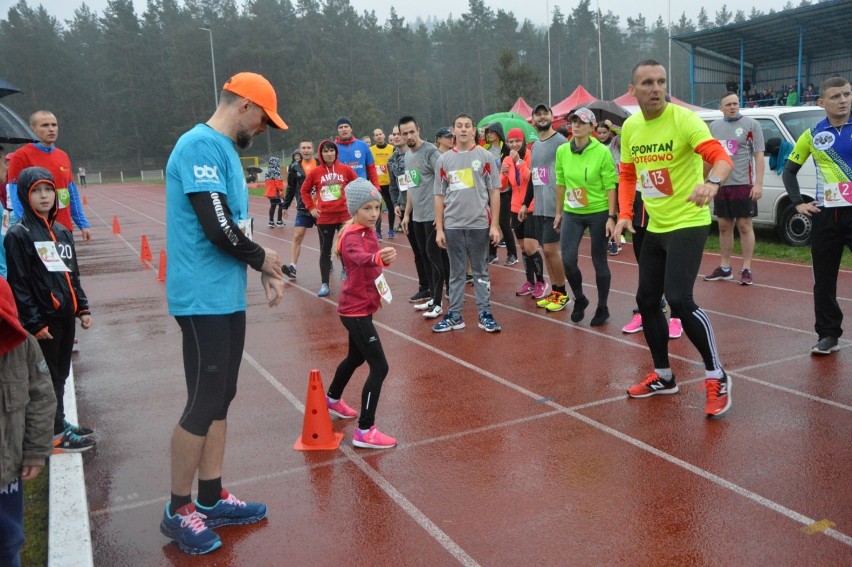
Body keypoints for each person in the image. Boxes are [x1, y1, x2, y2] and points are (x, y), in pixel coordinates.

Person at [160, 72, 286, 555]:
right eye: (262, 119)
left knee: (222, 395)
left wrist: (261, 270)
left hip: (225, 293)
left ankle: (210, 498)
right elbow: (215, 227)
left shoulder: (227, 152)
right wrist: (265, 260)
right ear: (245, 106)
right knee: (204, 398)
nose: (263, 130)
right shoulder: (198, 147)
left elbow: (237, 223)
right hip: (199, 296)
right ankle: (178, 508)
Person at [612, 60, 734, 417]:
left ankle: (717, 374)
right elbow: (628, 175)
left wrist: (712, 183)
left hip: (688, 220)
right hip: (654, 225)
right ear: (632, 90)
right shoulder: (631, 127)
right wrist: (622, 214)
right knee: (647, 301)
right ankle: (664, 376)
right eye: (647, 82)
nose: (656, 88)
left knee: (679, 299)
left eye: (661, 81)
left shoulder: (684, 120)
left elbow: (720, 157)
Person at [3, 166, 94, 453]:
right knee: (46, 377)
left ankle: (57, 421)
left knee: (61, 374)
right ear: (25, 196)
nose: (44, 196)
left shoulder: (62, 232)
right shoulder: (19, 234)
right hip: (43, 321)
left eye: (48, 190)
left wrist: (82, 308)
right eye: (36, 191)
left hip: (65, 316)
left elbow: (72, 274)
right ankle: (51, 435)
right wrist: (33, 321)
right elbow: (19, 283)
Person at [325, 178, 398, 448]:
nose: (374, 214)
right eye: (367, 208)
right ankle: (365, 431)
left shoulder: (369, 232)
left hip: (361, 308)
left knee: (355, 357)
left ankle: (332, 399)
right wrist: (378, 258)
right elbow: (358, 257)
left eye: (377, 208)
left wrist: (380, 282)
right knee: (380, 367)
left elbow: (372, 265)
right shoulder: (352, 236)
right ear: (354, 210)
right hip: (354, 312)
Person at [782, 76, 852, 356]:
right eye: (836, 96)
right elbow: (789, 171)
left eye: (847, 94)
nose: (843, 100)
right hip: (827, 216)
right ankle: (828, 334)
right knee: (824, 280)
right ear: (822, 102)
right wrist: (798, 203)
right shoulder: (811, 135)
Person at [0, 276, 56, 567]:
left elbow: (42, 398)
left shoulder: (24, 347)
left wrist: (35, 450)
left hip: (6, 475)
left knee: (8, 541)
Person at [432, 112, 502, 333]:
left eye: (467, 126)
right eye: (459, 126)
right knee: (456, 272)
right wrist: (440, 228)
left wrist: (494, 225)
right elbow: (439, 195)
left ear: (474, 131)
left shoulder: (485, 156)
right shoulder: (443, 160)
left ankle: (485, 314)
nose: (463, 130)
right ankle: (455, 315)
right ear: (453, 130)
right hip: (452, 225)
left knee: (480, 271)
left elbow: (494, 192)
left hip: (479, 224)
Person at [554, 108, 617, 325]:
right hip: (572, 211)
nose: (576, 125)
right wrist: (558, 212)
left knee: (599, 260)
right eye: (573, 121)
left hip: (598, 211)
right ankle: (580, 298)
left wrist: (611, 216)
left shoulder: (602, 152)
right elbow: (560, 182)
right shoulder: (562, 151)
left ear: (592, 127)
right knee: (568, 258)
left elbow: (610, 185)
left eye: (582, 122)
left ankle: (603, 307)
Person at [705, 92, 765, 285]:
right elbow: (707, 157)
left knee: (744, 226)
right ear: (721, 108)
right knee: (724, 226)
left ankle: (746, 268)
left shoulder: (751, 125)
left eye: (736, 104)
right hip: (720, 184)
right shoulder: (713, 127)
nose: (733, 107)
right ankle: (724, 268)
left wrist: (758, 184)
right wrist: (704, 180)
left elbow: (759, 155)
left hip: (743, 183)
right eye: (728, 104)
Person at [7, 111, 91, 241]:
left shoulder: (63, 156)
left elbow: (71, 193)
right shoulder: (21, 156)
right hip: (37, 231)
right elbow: (16, 196)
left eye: (54, 125)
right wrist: (26, 226)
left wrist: (83, 224)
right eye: (45, 125)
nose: (51, 129)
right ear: (33, 129)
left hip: (64, 229)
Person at [519, 103, 569, 307]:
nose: (541, 117)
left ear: (551, 116)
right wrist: (525, 204)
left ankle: (562, 293)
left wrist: (564, 206)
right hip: (539, 207)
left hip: (555, 207)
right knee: (547, 252)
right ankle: (555, 291)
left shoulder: (561, 142)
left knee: (550, 250)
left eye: (545, 113)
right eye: (537, 114)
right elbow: (534, 178)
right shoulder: (535, 146)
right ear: (533, 120)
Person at [399, 116, 446, 320]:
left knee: (435, 258)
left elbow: (445, 182)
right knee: (425, 257)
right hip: (417, 216)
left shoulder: (431, 152)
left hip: (432, 215)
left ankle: (438, 302)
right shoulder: (407, 156)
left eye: (412, 132)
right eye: (405, 133)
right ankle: (433, 296)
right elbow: (411, 186)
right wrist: (407, 214)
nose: (409, 136)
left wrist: (441, 214)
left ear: (418, 129)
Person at [301, 140, 358, 297]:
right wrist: (311, 208)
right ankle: (325, 284)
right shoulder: (315, 172)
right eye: (325, 151)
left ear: (336, 152)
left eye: (332, 150)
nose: (329, 154)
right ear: (321, 153)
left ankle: (349, 276)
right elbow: (304, 190)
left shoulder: (346, 169)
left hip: (344, 217)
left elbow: (358, 185)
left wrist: (355, 206)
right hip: (325, 218)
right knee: (325, 251)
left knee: (346, 248)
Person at [388, 126, 430, 303]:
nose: (398, 137)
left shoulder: (419, 155)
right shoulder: (392, 161)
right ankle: (425, 286)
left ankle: (443, 285)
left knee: (431, 249)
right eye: (395, 135)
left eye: (401, 134)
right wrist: (396, 203)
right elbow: (394, 185)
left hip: (423, 207)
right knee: (418, 250)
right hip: (405, 208)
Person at [502, 128, 543, 296]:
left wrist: (519, 162)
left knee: (531, 247)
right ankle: (530, 281)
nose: (514, 144)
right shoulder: (507, 159)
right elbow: (503, 185)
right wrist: (503, 174)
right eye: (511, 142)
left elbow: (531, 178)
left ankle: (541, 282)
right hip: (515, 208)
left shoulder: (531, 156)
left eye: (517, 141)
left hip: (532, 206)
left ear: (523, 141)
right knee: (523, 249)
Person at [282, 140, 318, 279]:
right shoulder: (294, 167)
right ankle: (293, 266)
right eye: (304, 148)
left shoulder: (320, 164)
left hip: (321, 208)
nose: (306, 150)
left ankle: (328, 260)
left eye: (309, 147)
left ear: (313, 149)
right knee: (297, 236)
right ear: (299, 150)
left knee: (324, 238)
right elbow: (290, 188)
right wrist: (285, 206)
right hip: (303, 207)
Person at [484, 122, 518, 265]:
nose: (490, 135)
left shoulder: (506, 149)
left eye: (492, 132)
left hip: (505, 191)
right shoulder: (486, 151)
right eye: (488, 132)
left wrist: (508, 170)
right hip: (490, 191)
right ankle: (492, 254)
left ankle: (512, 254)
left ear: (498, 133)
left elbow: (516, 166)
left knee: (504, 223)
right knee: (490, 223)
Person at [334, 116, 379, 189]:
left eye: (346, 126)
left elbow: (371, 168)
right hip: (343, 190)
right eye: (340, 127)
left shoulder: (363, 145)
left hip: (362, 188)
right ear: (337, 130)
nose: (344, 129)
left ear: (351, 129)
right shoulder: (333, 148)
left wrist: (377, 187)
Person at [370, 128, 395, 240]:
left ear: (384, 135)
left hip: (389, 183)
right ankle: (378, 231)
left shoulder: (391, 148)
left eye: (380, 134)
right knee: (377, 209)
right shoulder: (371, 150)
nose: (379, 136)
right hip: (376, 184)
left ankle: (391, 229)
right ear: (374, 138)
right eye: (376, 135)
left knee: (391, 207)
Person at [264, 156, 286, 228]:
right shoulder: (277, 171)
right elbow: (278, 182)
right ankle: (279, 221)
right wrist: (280, 190)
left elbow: (267, 182)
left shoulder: (268, 171)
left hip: (270, 192)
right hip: (277, 192)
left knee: (273, 206)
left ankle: (271, 222)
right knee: (281, 205)